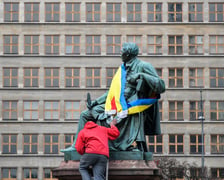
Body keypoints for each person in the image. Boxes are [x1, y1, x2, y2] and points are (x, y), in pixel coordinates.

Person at [62, 42, 165, 153]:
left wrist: (142, 75)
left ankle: (127, 144)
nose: (120, 54)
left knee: (123, 113)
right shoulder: (122, 69)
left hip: (132, 105)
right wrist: (96, 102)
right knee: (85, 114)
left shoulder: (143, 66)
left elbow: (161, 86)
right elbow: (112, 92)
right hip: (117, 103)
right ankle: (76, 147)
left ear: (128, 54)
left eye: (122, 52)